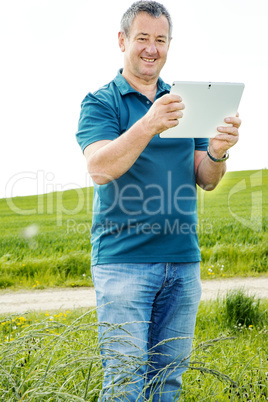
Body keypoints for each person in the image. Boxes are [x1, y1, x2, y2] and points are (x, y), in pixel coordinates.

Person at [76, 1, 241, 400]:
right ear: (123, 41)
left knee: (168, 381)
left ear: (170, 45)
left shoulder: (185, 102)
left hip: (183, 262)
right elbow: (99, 168)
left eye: (161, 40)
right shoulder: (100, 102)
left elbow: (207, 178)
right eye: (143, 38)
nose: (152, 48)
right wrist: (149, 123)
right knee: (124, 382)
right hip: (123, 262)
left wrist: (218, 151)